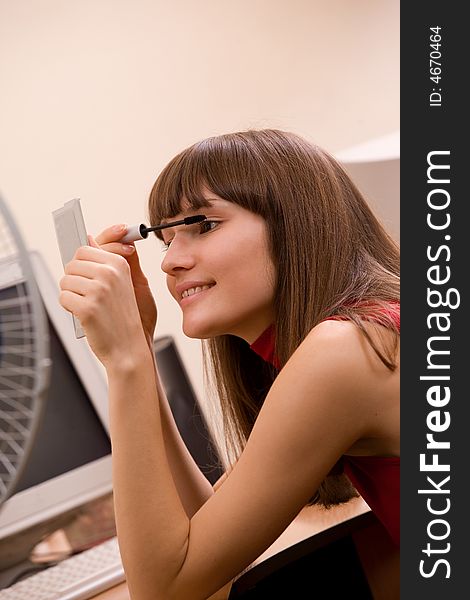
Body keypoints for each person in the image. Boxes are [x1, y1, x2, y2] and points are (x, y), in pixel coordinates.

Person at [59, 129, 400, 599]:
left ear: (295, 224)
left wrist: (126, 362)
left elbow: (167, 591)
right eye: (166, 238)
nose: (171, 262)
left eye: (203, 226)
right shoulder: (356, 337)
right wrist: (137, 348)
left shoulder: (346, 351)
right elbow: (207, 565)